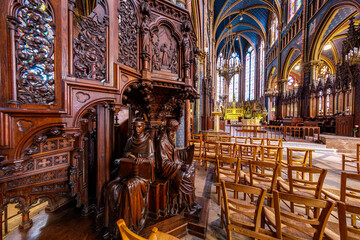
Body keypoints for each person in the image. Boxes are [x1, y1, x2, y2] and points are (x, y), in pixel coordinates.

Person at [104, 118, 154, 234]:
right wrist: (131, 156)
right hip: (127, 172)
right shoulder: (130, 140)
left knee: (129, 188)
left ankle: (130, 222)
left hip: (142, 176)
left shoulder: (148, 141)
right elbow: (125, 153)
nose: (136, 129)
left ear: (143, 127)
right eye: (135, 127)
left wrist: (143, 159)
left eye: (139, 127)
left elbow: (152, 160)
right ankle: (113, 224)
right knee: (111, 187)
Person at [156, 119, 201, 214]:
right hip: (167, 169)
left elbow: (174, 154)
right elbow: (163, 164)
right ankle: (188, 205)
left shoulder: (169, 138)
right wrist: (179, 166)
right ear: (168, 129)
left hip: (174, 165)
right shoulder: (162, 141)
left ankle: (191, 202)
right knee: (186, 176)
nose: (174, 133)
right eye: (173, 130)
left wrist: (186, 151)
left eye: (175, 131)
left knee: (191, 169)